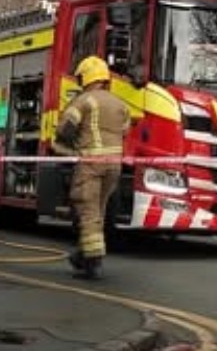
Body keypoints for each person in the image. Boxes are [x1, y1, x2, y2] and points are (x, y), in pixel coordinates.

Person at [54, 56, 131, 280]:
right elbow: (125, 131)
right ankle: (83, 254)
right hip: (113, 166)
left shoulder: (84, 100)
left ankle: (92, 261)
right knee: (99, 209)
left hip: (90, 164)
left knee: (87, 212)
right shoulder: (120, 104)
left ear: (86, 77)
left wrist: (68, 145)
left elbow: (65, 129)